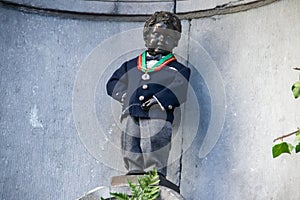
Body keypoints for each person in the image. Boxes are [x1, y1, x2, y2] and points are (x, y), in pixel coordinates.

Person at [106, 11, 190, 177]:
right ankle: (133, 169)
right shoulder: (130, 65)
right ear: (146, 36)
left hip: (158, 113)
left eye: (167, 37)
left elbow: (179, 88)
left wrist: (159, 100)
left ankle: (155, 171)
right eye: (156, 34)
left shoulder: (179, 69)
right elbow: (113, 82)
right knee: (130, 141)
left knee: (156, 141)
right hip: (131, 112)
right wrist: (124, 96)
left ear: (175, 42)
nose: (161, 40)